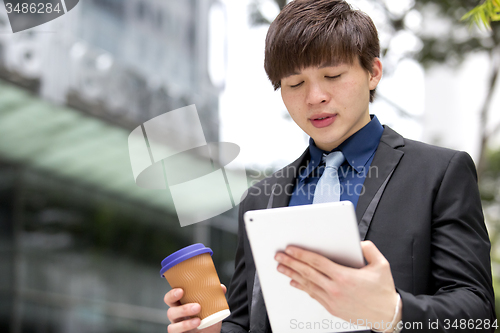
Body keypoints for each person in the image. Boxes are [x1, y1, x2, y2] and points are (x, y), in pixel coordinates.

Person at [164, 0, 496, 332]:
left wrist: (393, 311)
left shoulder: (439, 173)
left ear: (373, 73)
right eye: (295, 84)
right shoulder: (259, 199)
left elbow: (478, 312)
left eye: (333, 75)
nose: (315, 97)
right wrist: (210, 329)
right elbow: (246, 322)